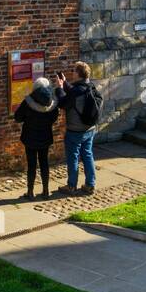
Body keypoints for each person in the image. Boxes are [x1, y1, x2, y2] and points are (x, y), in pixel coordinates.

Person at [55, 61, 102, 196]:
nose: (72, 72)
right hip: (89, 128)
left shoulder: (75, 91)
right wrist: (65, 84)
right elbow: (75, 93)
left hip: (75, 130)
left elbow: (63, 103)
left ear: (78, 74)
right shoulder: (91, 86)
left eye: (74, 71)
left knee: (73, 157)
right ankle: (90, 185)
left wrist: (59, 88)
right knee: (87, 155)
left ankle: (71, 186)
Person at [13, 77, 60, 200]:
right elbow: (55, 117)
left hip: (30, 137)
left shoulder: (28, 102)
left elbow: (17, 117)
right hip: (45, 136)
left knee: (32, 164)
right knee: (44, 163)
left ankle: (30, 192)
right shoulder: (52, 102)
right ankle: (46, 191)